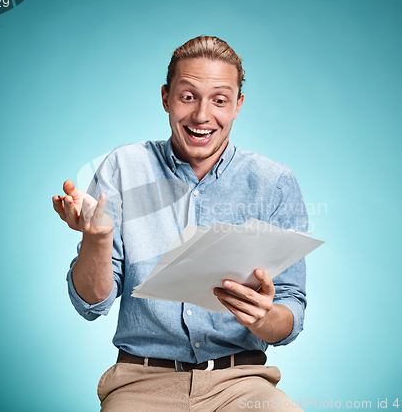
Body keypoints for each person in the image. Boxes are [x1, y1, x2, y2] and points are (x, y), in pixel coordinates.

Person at [52, 36, 308, 411]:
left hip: (241, 385)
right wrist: (98, 238)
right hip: (141, 384)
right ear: (166, 98)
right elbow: (91, 303)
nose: (202, 115)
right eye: (188, 96)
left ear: (238, 105)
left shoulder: (274, 183)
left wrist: (265, 318)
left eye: (219, 100)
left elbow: (291, 310)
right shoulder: (125, 167)